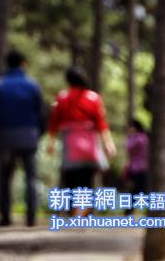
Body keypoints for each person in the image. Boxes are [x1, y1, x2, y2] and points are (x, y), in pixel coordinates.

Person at [0, 51, 45, 227]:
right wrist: (38, 133)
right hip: (29, 137)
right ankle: (31, 217)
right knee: (31, 178)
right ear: (23, 64)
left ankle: (5, 216)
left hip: (6, 137)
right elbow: (41, 113)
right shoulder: (33, 85)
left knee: (5, 177)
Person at [46, 65, 116, 216]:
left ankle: (72, 210)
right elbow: (101, 123)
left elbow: (54, 122)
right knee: (88, 177)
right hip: (90, 143)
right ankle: (86, 210)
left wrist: (50, 143)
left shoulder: (62, 97)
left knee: (70, 177)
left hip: (70, 142)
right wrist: (108, 144)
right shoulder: (93, 98)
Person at [123, 119, 149, 215]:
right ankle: (129, 211)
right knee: (139, 190)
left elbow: (129, 148)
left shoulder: (138, 138)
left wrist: (129, 137)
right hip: (137, 168)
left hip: (140, 169)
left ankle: (129, 211)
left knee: (137, 190)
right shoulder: (143, 137)